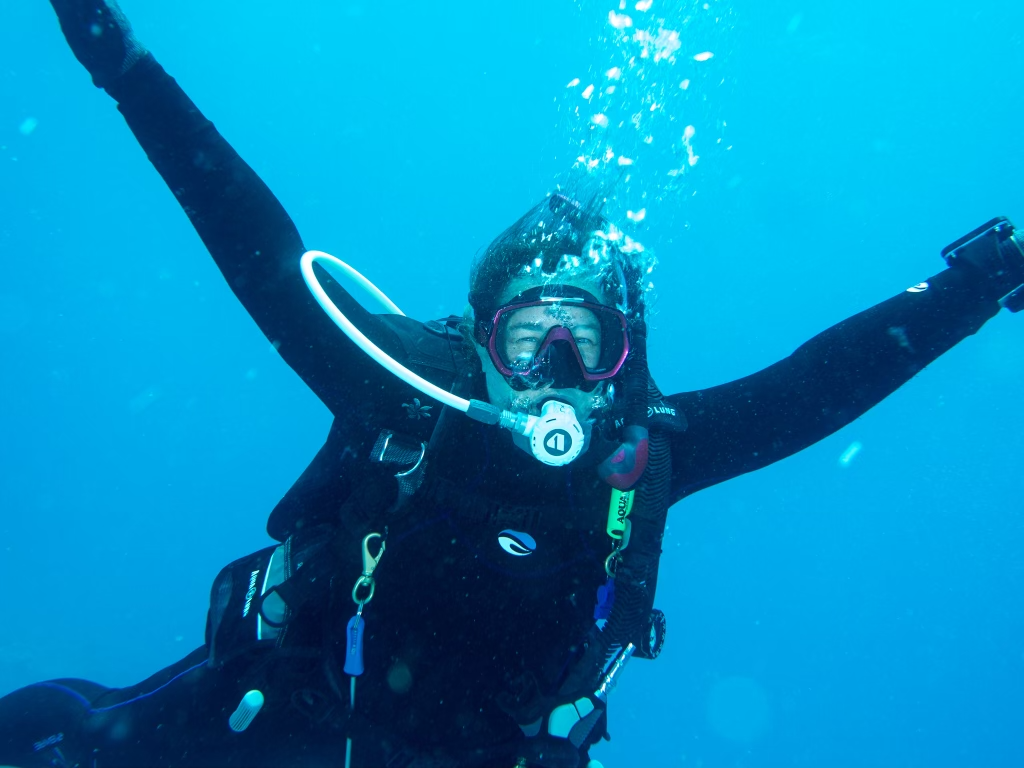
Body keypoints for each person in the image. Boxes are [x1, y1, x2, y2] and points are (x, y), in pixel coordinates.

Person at [2, 2, 1022, 767]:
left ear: (625, 354)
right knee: (76, 742)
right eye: (531, 336)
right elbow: (258, 250)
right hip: (286, 710)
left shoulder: (647, 458)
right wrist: (122, 66)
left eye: (589, 341)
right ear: (481, 339)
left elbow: (814, 389)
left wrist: (978, 285)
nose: (557, 375)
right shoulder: (405, 398)